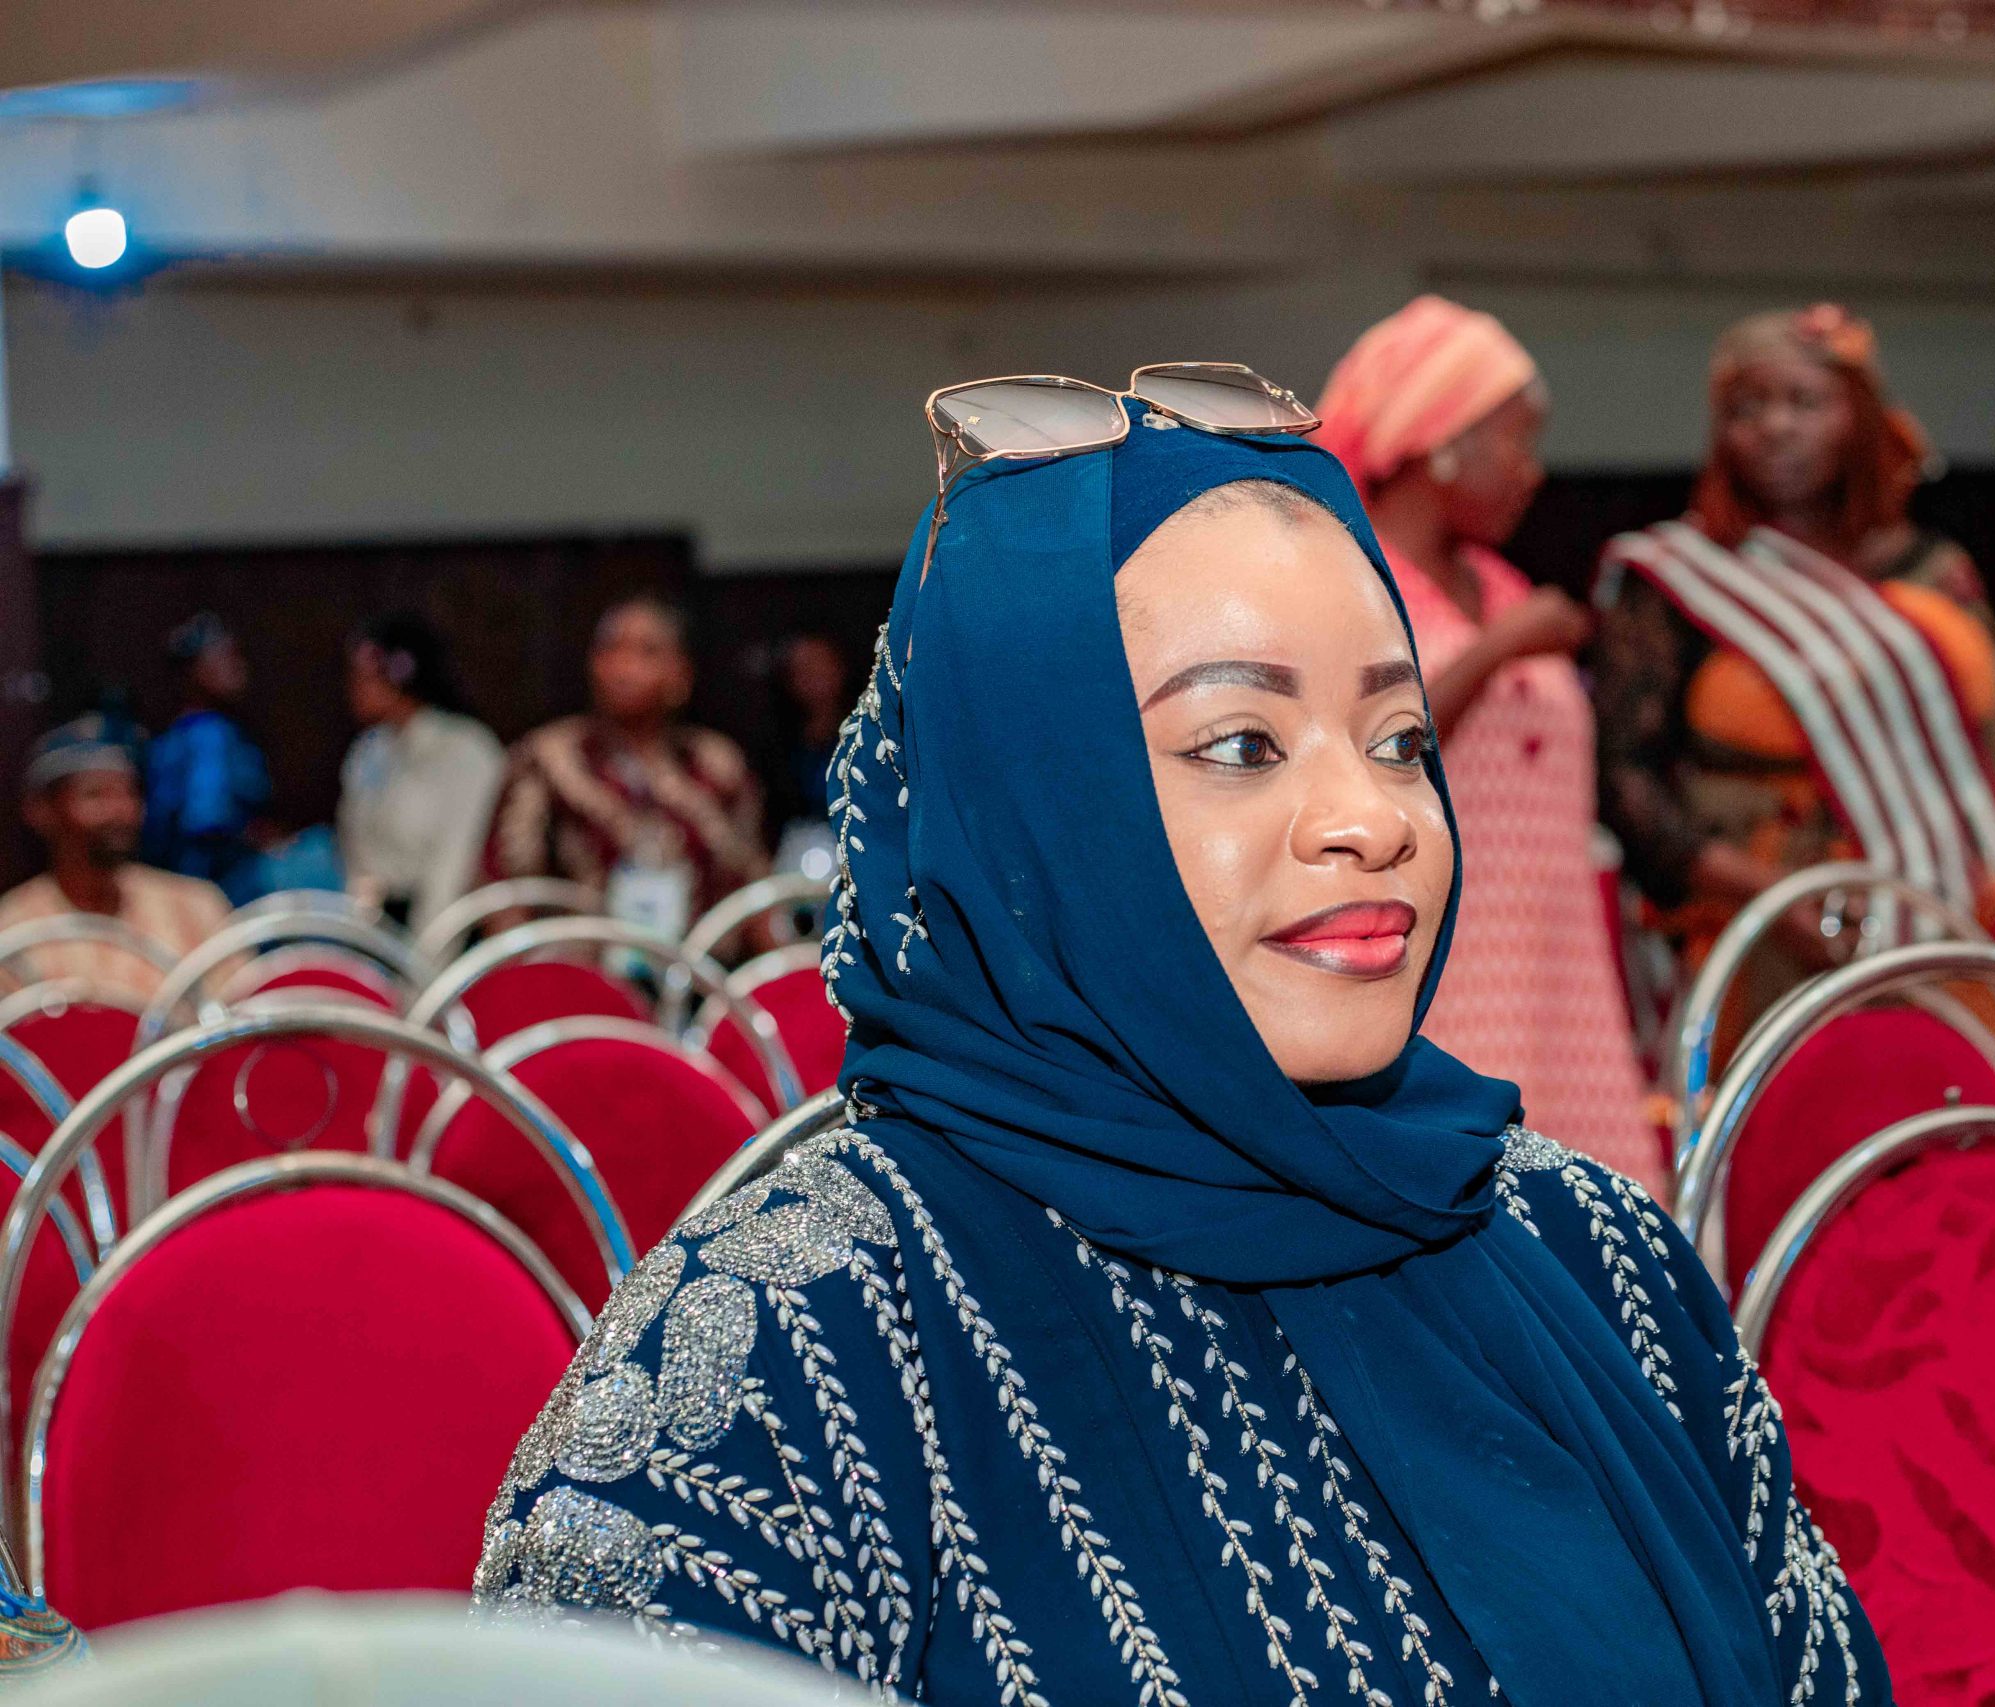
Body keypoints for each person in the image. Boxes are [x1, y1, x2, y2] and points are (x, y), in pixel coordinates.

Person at [478, 375, 1884, 1706]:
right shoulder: (785, 1354)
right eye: (1241, 744)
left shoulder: (1585, 1247)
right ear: (1031, 801)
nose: (1374, 819)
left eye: (1400, 739)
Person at [1591, 305, 1995, 1035]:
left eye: (1805, 402)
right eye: (1746, 408)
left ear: (1859, 418)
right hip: (1765, 936)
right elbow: (1625, 780)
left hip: (1944, 921)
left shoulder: (1935, 572)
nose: (1775, 426)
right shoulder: (1681, 582)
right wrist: (1771, 895)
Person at [1313, 296, 1660, 1193]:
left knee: (1590, 1216)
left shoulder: (1503, 585)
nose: (1533, 472)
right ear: (1440, 442)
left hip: (1560, 976)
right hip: (1440, 972)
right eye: (1516, 440)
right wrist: (1501, 649)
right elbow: (1372, 745)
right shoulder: (1348, 581)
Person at [480, 597, 763, 933]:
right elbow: (504, 892)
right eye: (611, 649)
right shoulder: (548, 757)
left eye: (647, 651)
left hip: (698, 958)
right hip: (580, 957)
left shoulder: (716, 765)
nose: (624, 667)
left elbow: (753, 890)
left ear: (681, 675)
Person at [0, 717, 231, 1004]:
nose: (120, 811)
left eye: (128, 793)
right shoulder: (11, 930)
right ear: (43, 810)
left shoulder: (196, 907)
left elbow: (238, 1016)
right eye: (95, 795)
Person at [337, 614, 506, 932]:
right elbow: (355, 853)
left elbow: (452, 868)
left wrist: (424, 956)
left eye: (365, 675)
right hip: (370, 922)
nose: (353, 686)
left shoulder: (466, 751)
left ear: (401, 673)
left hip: (437, 928)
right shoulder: (369, 750)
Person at [142, 613, 274, 906]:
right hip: (217, 891)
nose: (239, 666)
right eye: (226, 656)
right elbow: (207, 825)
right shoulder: (208, 735)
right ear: (195, 670)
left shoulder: (182, 734)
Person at [760, 631, 853, 879]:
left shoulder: (864, 737)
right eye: (800, 670)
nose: (811, 677)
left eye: (818, 666)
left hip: (851, 856)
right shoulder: (778, 746)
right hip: (792, 861)